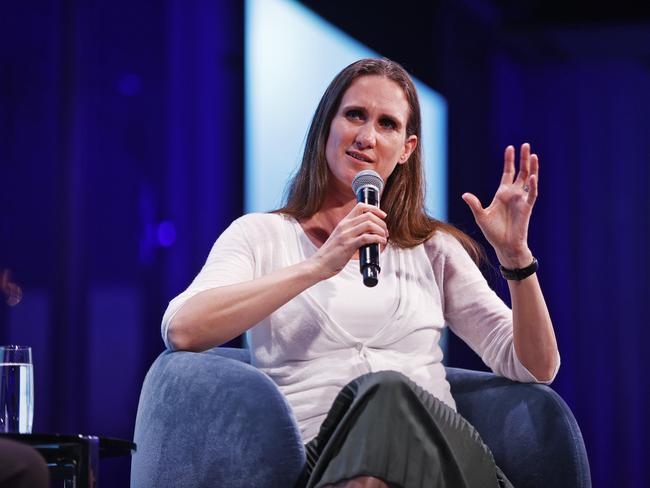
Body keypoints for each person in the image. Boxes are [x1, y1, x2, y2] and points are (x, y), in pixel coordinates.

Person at [162, 58, 560, 488]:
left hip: (444, 462)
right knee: (377, 401)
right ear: (327, 127)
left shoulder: (432, 249)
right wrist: (318, 266)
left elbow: (536, 366)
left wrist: (516, 257)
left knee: (386, 392)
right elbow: (184, 329)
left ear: (406, 149)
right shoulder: (261, 235)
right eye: (355, 115)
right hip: (322, 460)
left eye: (387, 124)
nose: (367, 137)